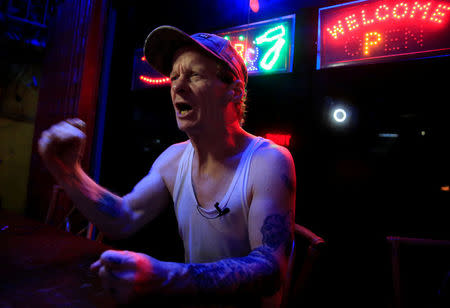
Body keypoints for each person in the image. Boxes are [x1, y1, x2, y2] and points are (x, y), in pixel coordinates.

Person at [38, 25, 296, 307]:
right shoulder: (174, 158)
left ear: (234, 92)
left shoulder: (268, 160)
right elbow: (124, 216)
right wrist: (68, 171)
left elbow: (270, 268)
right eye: (174, 77)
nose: (178, 86)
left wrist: (164, 277)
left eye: (194, 75)